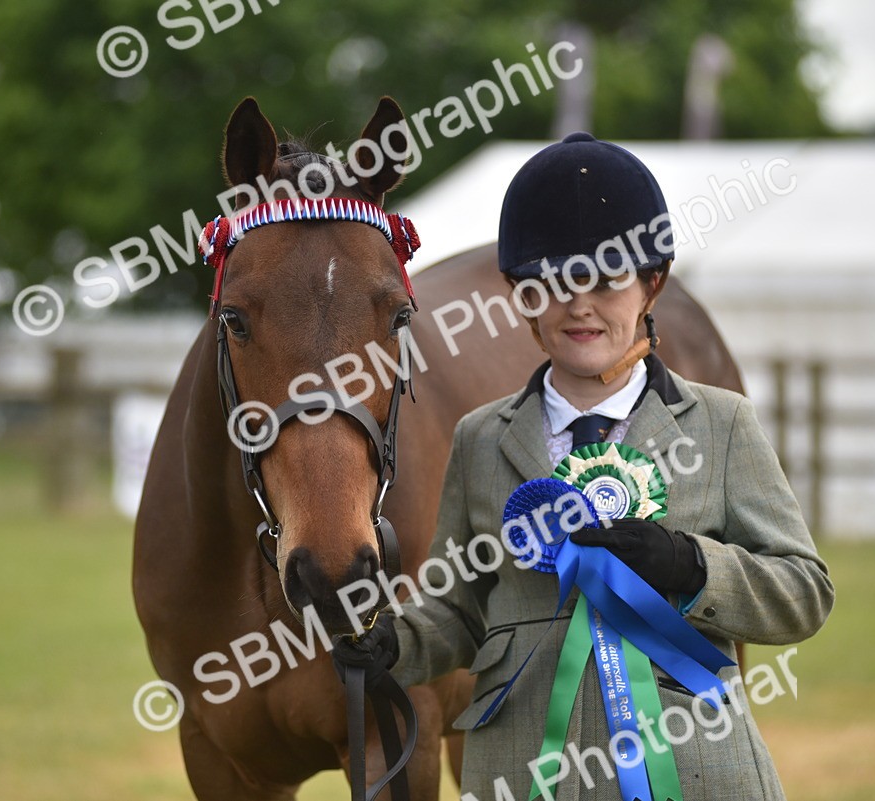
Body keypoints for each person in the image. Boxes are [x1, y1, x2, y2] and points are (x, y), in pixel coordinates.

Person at [333, 133, 834, 801]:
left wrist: (693, 564)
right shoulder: (481, 439)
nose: (580, 305)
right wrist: (395, 643)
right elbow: (459, 609)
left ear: (652, 283)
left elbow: (804, 591)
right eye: (554, 283)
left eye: (606, 279)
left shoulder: (722, 423)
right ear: (518, 293)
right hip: (524, 770)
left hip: (694, 771)